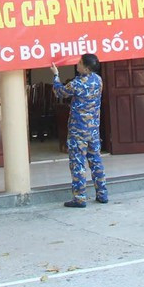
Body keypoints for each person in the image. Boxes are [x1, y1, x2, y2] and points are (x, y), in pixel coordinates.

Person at [50, 53, 109, 207]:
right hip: (93, 129)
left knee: (78, 163)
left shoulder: (77, 83)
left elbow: (59, 92)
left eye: (80, 62)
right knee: (96, 161)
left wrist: (56, 76)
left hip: (78, 130)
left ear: (87, 68)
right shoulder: (98, 80)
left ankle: (80, 197)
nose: (77, 64)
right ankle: (102, 193)